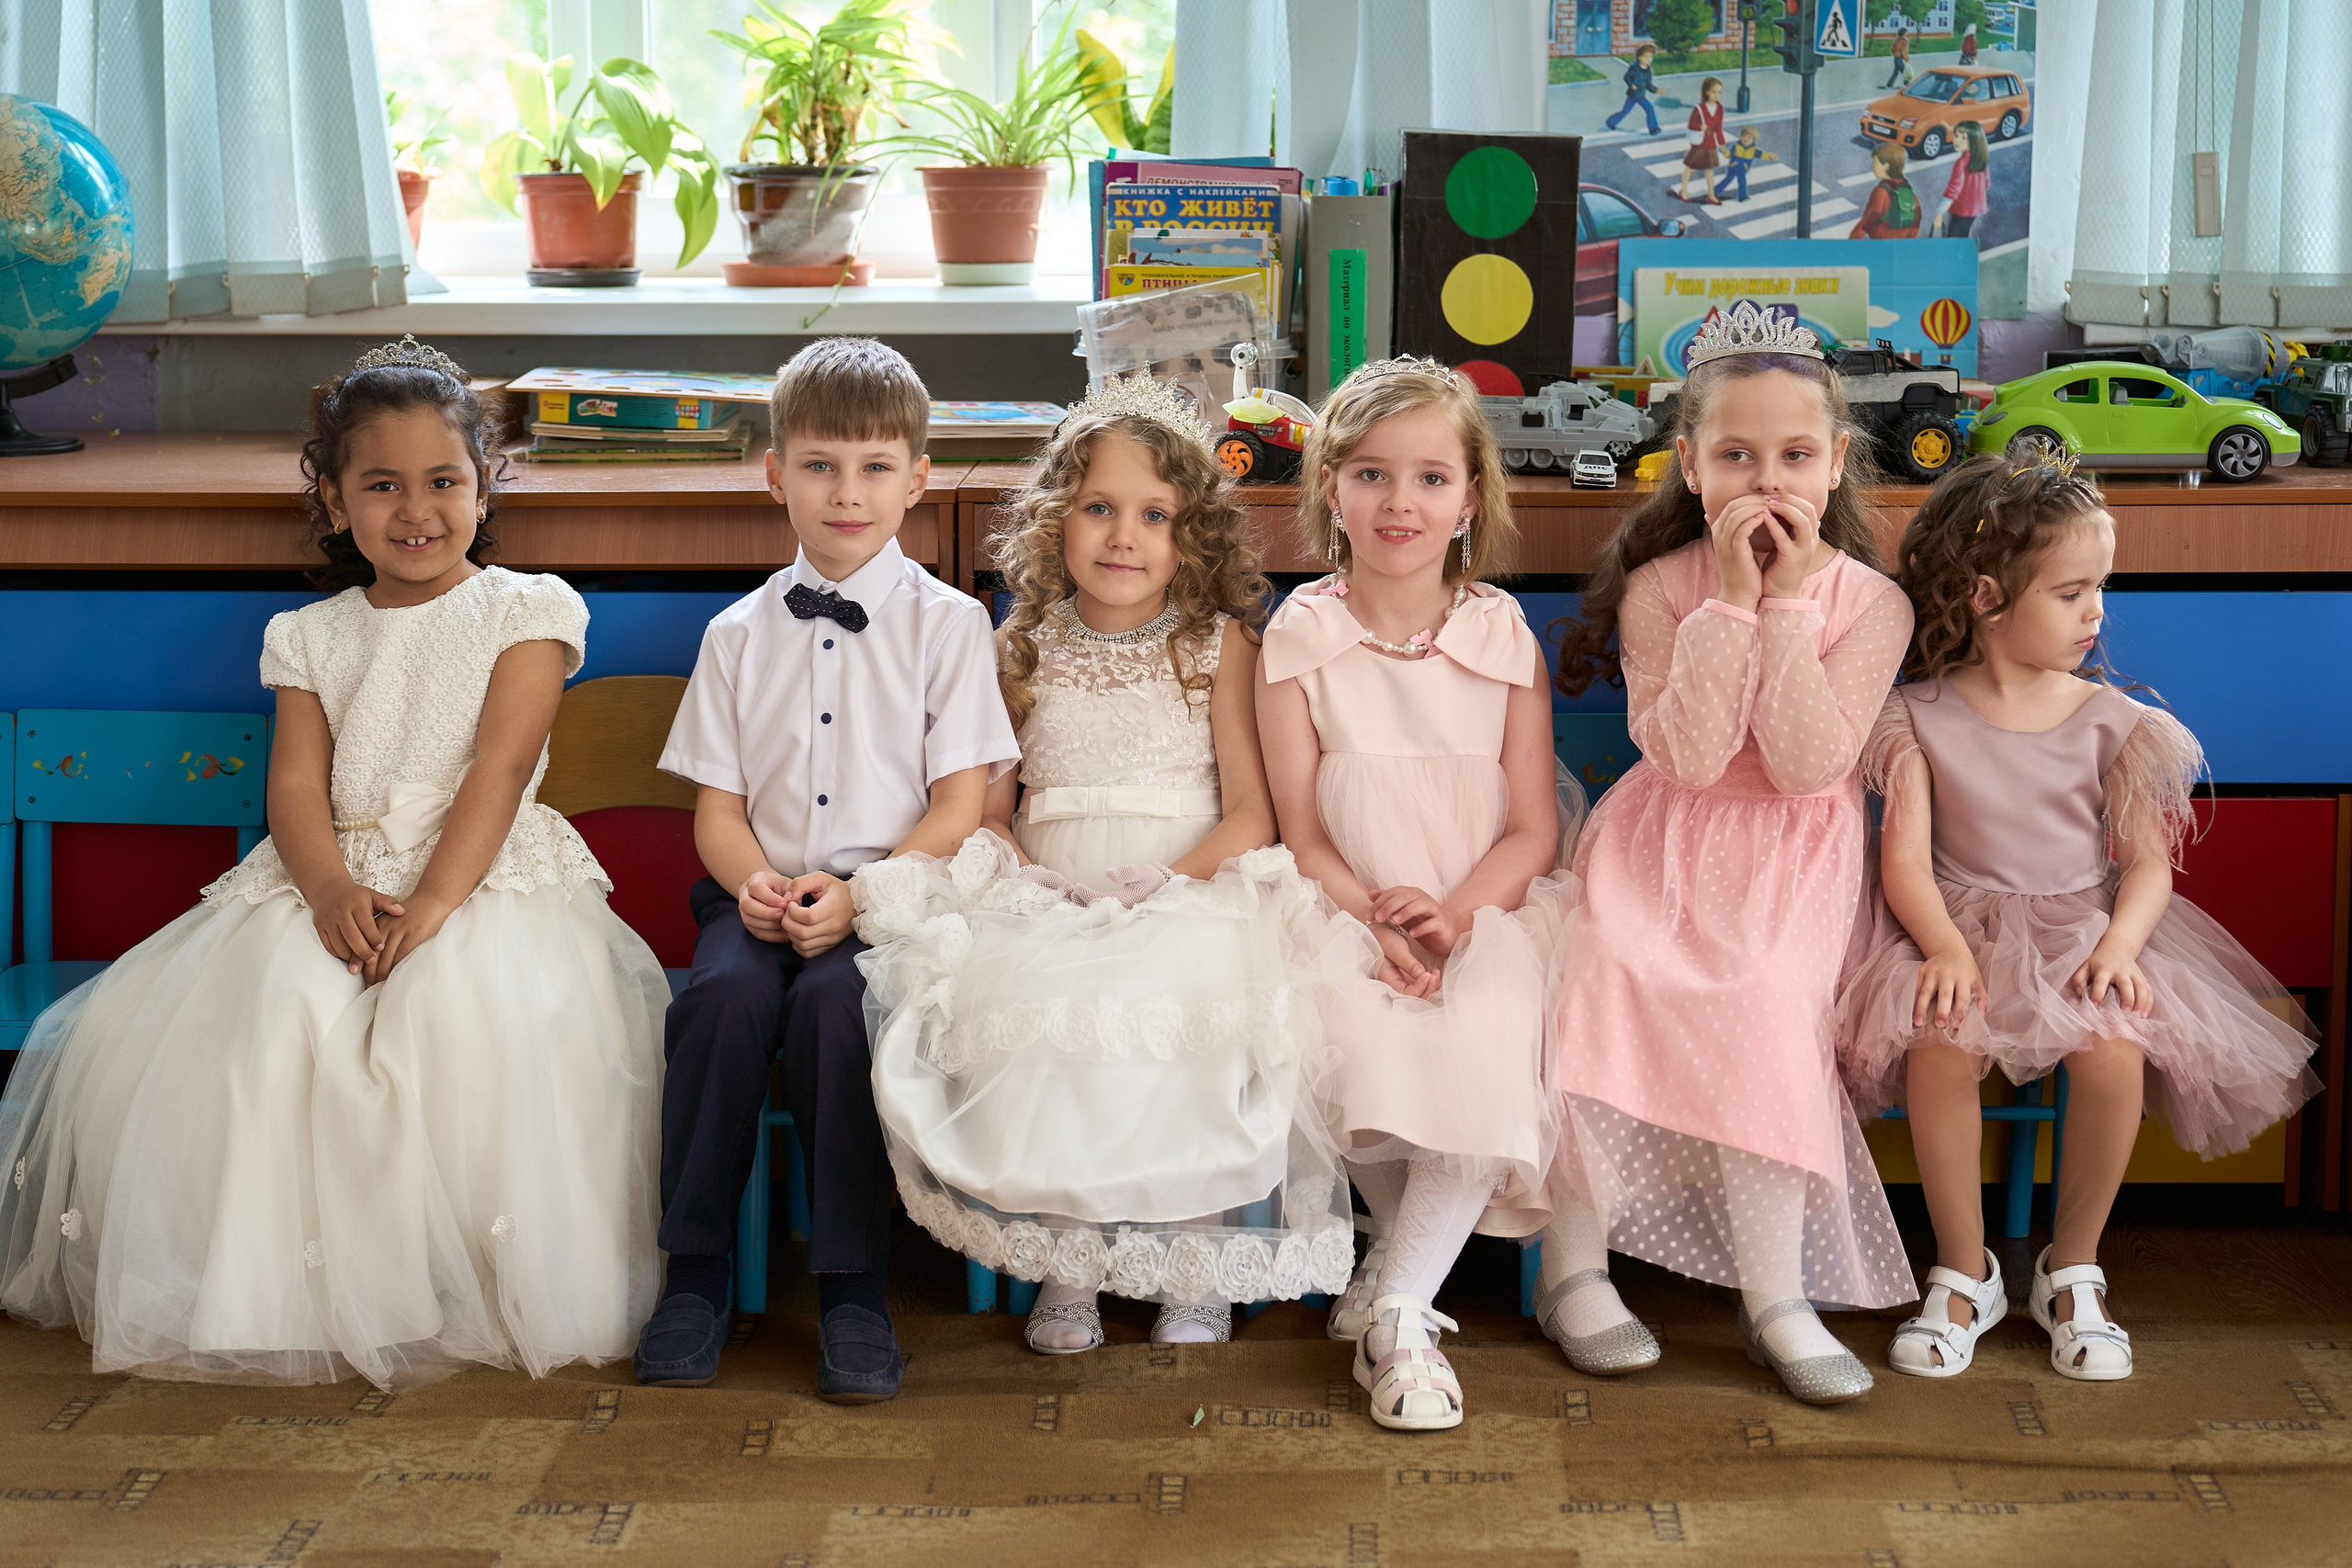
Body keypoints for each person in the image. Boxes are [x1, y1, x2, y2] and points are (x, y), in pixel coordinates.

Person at [0, 336, 669, 1389]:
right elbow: (294, 790)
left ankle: (450, 1282)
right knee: (277, 1017)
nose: (416, 511)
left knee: (450, 1018)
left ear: (486, 484)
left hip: (482, 873)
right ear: (334, 498)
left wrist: (434, 904)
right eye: (382, 485)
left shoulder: (528, 609)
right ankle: (271, 1292)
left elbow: (499, 770)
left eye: (443, 481)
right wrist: (327, 892)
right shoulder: (310, 635)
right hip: (334, 871)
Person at [857, 376, 1354, 1355]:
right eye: (1097, 509)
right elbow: (993, 815)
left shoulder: (1218, 646)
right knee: (1045, 1017)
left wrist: (1171, 885)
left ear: (1191, 534)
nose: (1123, 537)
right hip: (1056, 894)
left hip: (1190, 885)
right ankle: (1071, 1258)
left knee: (1188, 1010)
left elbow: (1251, 815)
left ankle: (1192, 1264)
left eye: (1153, 515)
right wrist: (1028, 881)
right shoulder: (1020, 646)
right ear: (1057, 520)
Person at [1838, 449, 2319, 1383]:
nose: (2096, 611)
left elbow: (2145, 866)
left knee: (2112, 1045)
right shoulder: (1916, 716)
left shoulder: (2113, 723)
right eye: (2070, 593)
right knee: (1940, 1041)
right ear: (1985, 596)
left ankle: (2073, 1265)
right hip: (1953, 924)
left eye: (2099, 587)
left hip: (2079, 928)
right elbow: (1904, 863)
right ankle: (1963, 1269)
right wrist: (1942, 947)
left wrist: (2122, 944)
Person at [1549, 300, 1917, 1407]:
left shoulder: (1873, 603)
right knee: (1598, 974)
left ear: (1836, 463)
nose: (1768, 482)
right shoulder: (1660, 588)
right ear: (1691, 466)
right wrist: (1729, 605)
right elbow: (1690, 756)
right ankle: (1573, 1271)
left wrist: (1787, 605)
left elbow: (1805, 767)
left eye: (1795, 456)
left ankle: (1774, 1296)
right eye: (1736, 456)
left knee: (1763, 1002)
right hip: (1659, 843)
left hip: (1789, 862)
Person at [636, 338, 1020, 1395]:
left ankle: (853, 1286)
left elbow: (959, 807)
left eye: (873, 467)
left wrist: (861, 894)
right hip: (756, 892)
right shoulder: (735, 634)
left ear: (915, 478)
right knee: (717, 1003)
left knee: (833, 1013)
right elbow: (717, 811)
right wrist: (756, 883)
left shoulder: (950, 627)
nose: (846, 492)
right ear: (775, 475)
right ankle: (695, 1272)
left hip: (891, 902)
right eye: (819, 465)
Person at [1259, 357, 1586, 1431]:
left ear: (1469, 499)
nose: (1400, 502)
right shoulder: (1298, 637)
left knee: (1487, 1037)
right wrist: (1371, 918)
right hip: (1342, 908)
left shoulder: (1501, 636)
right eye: (1371, 474)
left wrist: (1454, 919)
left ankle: (1397, 1312)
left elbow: (1532, 827)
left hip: (1484, 911)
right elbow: (1301, 832)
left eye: (1430, 478)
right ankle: (1402, 1285)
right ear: (1331, 490)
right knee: (1337, 1034)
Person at [1850, 142, 1923, 239]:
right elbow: (1916, 219)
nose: (1873, 167)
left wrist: (1852, 239)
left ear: (1886, 166)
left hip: (1882, 243)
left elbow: (1867, 222)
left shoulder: (1881, 192)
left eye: (1876, 162)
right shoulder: (1907, 190)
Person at [1937, 120, 1991, 240]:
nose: (1957, 140)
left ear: (1974, 141)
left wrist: (1940, 212)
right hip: (1976, 208)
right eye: (1956, 136)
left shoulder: (1961, 163)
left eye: (1964, 138)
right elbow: (1986, 183)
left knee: (1953, 237)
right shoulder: (1981, 159)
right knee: (1963, 234)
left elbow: (1953, 189)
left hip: (1962, 209)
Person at [1679, 76, 1728, 206]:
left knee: (1709, 169)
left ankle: (1711, 195)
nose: (1717, 95)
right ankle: (1683, 190)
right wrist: (1700, 126)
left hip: (1710, 144)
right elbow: (1691, 124)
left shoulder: (1720, 108)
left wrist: (1722, 146)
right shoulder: (1699, 108)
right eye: (1714, 92)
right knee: (1690, 167)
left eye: (1719, 92)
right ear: (1707, 92)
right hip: (1700, 143)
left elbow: (1718, 129)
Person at [1605, 45, 1661, 137]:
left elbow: (1648, 84)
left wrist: (1655, 90)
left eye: (1650, 57)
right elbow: (1627, 77)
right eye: (1646, 56)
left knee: (1649, 109)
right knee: (1625, 111)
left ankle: (1653, 129)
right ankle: (1611, 122)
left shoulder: (1648, 70)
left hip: (1641, 96)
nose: (1649, 59)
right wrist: (1632, 85)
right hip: (1633, 95)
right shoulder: (1634, 68)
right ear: (1639, 57)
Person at [1714, 125, 1778, 204]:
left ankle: (1743, 196)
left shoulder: (1754, 150)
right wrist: (1724, 151)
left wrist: (1770, 156)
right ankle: (1714, 191)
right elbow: (1728, 156)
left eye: (1749, 137)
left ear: (1753, 140)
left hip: (1743, 170)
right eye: (1743, 136)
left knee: (1742, 183)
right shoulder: (1736, 146)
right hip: (1733, 168)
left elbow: (1762, 154)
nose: (1745, 139)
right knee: (1726, 181)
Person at [1884, 23, 1913, 88]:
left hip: (1896, 58)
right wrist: (1907, 59)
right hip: (1899, 58)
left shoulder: (1897, 40)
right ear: (1904, 33)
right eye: (1906, 33)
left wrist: (1895, 53)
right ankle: (1908, 85)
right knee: (1905, 72)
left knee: (1896, 72)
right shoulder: (1905, 41)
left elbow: (1892, 48)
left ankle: (1889, 84)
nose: (1907, 34)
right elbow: (1904, 51)